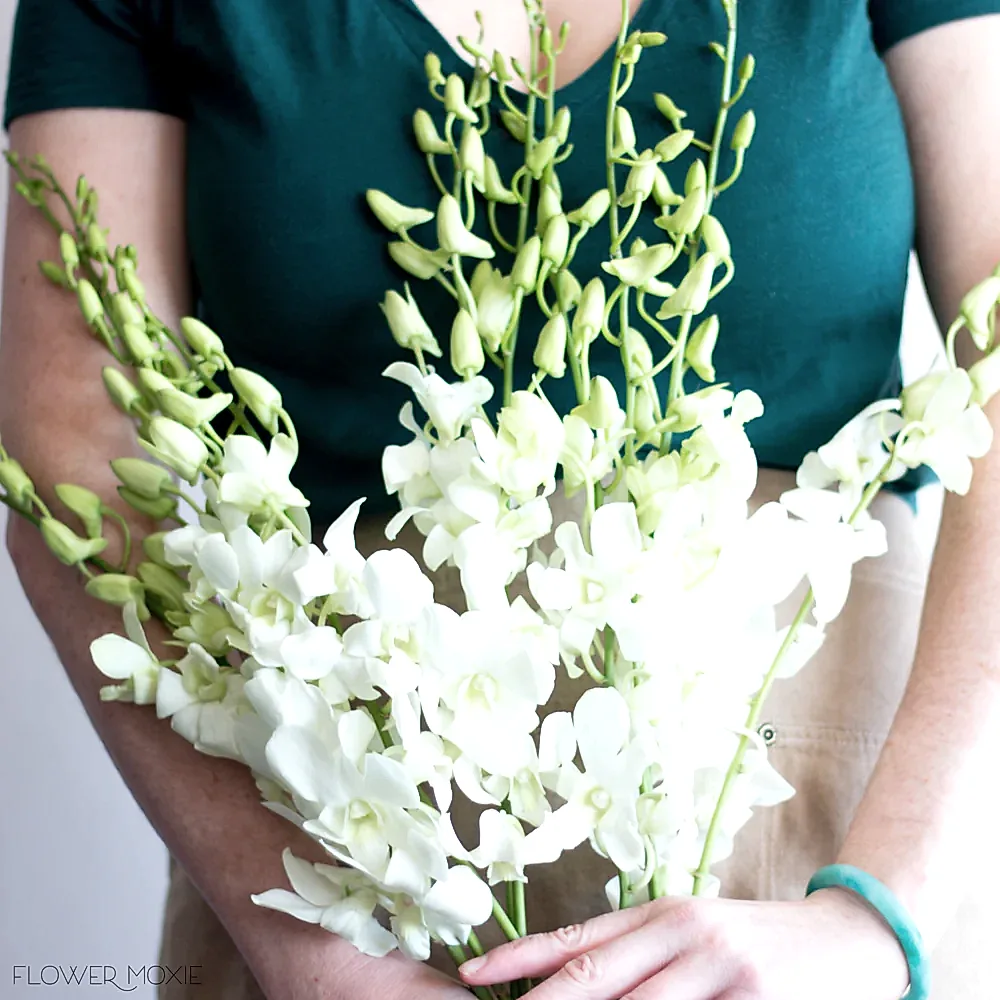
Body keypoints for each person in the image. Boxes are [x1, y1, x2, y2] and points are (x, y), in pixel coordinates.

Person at [2, 1, 1000, 997]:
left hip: (836, 864)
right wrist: (327, 961)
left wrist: (879, 909)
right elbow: (75, 448)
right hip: (341, 876)